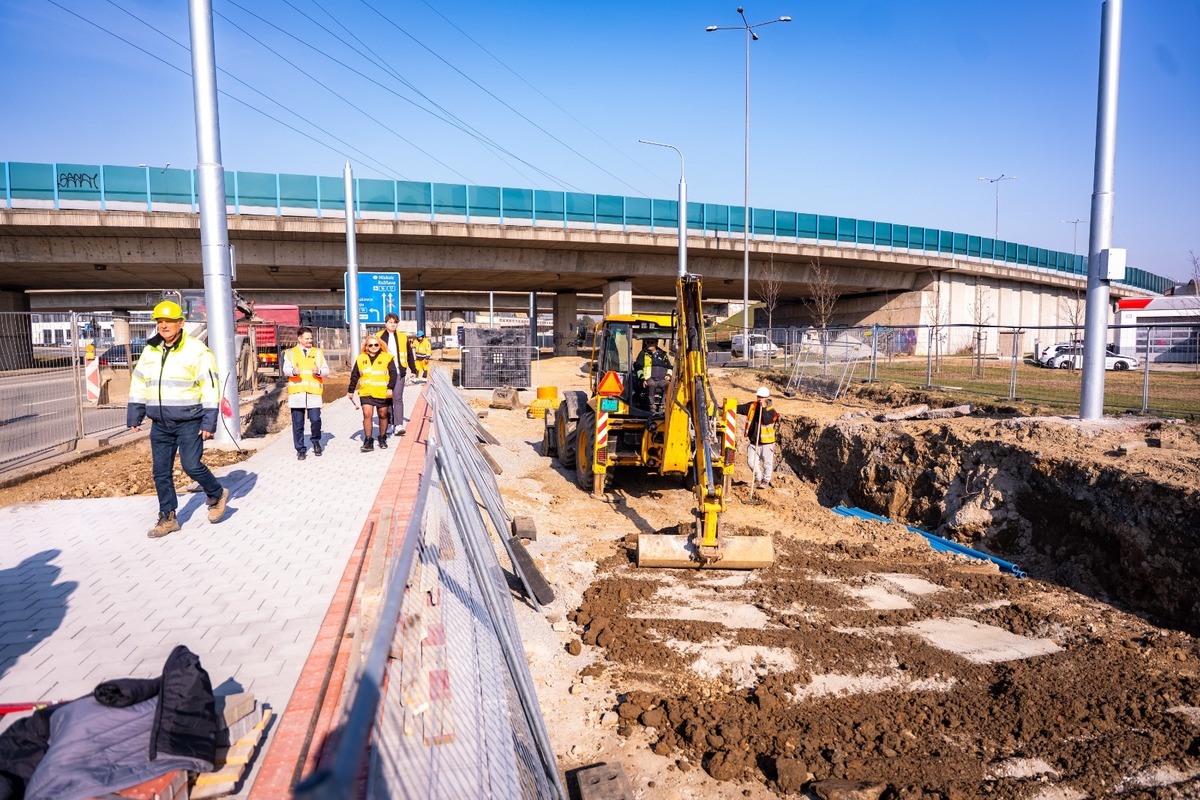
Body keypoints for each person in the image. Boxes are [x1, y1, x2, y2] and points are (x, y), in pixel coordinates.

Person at [127, 299, 229, 538]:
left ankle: (216, 493)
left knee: (191, 465)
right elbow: (140, 381)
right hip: (160, 423)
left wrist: (208, 421)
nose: (164, 326)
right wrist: (135, 413)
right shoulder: (150, 349)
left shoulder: (196, 350)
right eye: (160, 321)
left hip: (189, 420)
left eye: (169, 321)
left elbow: (210, 386)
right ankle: (168, 517)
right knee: (160, 472)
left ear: (180, 323)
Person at [283, 327, 331, 460]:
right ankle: (300, 449)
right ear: (299, 338)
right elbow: (285, 369)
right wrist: (293, 371)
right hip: (297, 392)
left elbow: (326, 370)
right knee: (298, 423)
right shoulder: (290, 353)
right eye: (307, 338)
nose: (310, 340)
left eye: (311, 338)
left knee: (315, 419)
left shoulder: (318, 353)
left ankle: (315, 441)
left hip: (313, 392)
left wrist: (319, 371)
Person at [347, 333, 397, 452]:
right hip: (366, 392)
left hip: (383, 392)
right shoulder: (361, 358)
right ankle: (368, 440)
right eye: (371, 345)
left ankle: (382, 437)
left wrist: (390, 388)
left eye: (376, 344)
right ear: (366, 346)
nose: (374, 347)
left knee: (383, 415)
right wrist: (351, 390)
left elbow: (393, 374)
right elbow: (355, 375)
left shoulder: (387, 357)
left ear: (380, 345)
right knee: (367, 414)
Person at [375, 313, 414, 436]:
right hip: (384, 374)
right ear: (385, 323)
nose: (393, 324)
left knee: (397, 398)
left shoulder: (403, 337)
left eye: (395, 322)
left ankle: (398, 425)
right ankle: (389, 423)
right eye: (391, 322)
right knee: (387, 399)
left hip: (399, 372)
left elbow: (409, 354)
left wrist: (413, 370)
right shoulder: (378, 337)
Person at [736, 386, 780, 489]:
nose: (759, 399)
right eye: (758, 397)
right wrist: (725, 406)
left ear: (767, 397)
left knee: (767, 463)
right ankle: (758, 478)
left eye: (762, 397)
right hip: (753, 442)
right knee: (751, 462)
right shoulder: (752, 406)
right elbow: (740, 408)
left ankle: (766, 480)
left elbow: (765, 420)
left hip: (767, 443)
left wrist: (763, 408)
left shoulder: (772, 411)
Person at [635, 338, 673, 409]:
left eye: (651, 342)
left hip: (661, 379)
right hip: (649, 378)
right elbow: (638, 368)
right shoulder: (643, 354)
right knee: (651, 385)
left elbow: (669, 367)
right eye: (647, 342)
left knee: (669, 385)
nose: (649, 344)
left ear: (656, 343)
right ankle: (651, 406)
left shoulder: (662, 354)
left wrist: (669, 375)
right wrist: (643, 379)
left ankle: (663, 405)